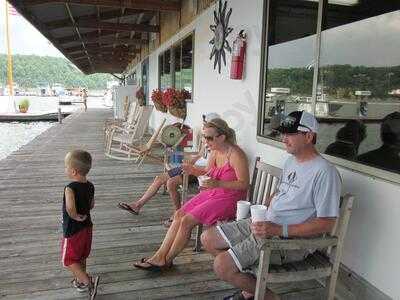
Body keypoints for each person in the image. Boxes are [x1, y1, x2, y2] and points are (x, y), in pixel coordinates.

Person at [201, 111, 342, 300]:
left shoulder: (325, 172)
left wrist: (278, 229)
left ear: (309, 136)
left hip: (287, 239)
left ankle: (267, 296)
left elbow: (326, 223)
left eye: (290, 134)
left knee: (222, 265)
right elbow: (281, 192)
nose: (284, 139)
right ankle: (251, 288)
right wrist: (263, 206)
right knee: (208, 238)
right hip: (266, 223)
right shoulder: (291, 161)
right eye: (283, 133)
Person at [133, 118, 250, 271]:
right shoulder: (215, 151)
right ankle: (159, 256)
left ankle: (166, 260)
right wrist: (193, 170)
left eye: (209, 137)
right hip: (214, 192)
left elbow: (244, 184)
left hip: (230, 199)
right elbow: (207, 173)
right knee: (179, 214)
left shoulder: (236, 154)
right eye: (204, 136)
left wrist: (218, 183)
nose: (205, 141)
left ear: (222, 137)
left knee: (187, 220)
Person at [117, 113, 220, 227]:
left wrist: (192, 167)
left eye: (206, 124)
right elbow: (199, 155)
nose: (203, 125)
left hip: (199, 174)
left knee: (170, 183)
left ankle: (177, 213)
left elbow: (211, 169)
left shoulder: (217, 146)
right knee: (160, 178)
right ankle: (138, 205)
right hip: (190, 168)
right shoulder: (206, 140)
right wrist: (189, 161)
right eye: (204, 123)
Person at [61, 150, 99, 299]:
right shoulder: (90, 185)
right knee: (81, 256)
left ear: (73, 171)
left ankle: (87, 281)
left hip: (73, 229)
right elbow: (91, 205)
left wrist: (75, 216)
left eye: (66, 167)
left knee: (69, 259)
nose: (65, 170)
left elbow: (70, 208)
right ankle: (80, 281)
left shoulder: (70, 188)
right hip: (87, 227)